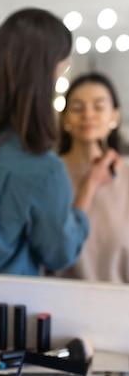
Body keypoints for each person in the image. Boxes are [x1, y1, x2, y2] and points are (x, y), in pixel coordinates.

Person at [0, 8, 119, 275]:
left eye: (98, 106)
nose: (88, 114)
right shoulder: (44, 171)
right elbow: (59, 253)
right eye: (60, 71)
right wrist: (88, 188)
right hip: (2, 310)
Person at [55, 72, 128, 282]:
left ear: (114, 116)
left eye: (98, 107)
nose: (88, 114)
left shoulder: (126, 179)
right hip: (58, 302)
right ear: (65, 118)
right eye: (77, 108)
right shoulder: (49, 176)